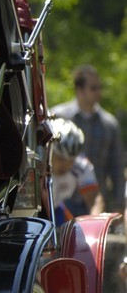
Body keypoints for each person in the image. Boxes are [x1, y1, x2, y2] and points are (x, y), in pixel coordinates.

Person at [51, 65, 124, 214]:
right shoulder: (57, 116)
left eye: (99, 87)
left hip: (92, 200)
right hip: (58, 200)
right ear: (80, 90)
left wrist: (119, 203)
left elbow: (117, 166)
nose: (99, 92)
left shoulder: (109, 124)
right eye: (93, 88)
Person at [48, 117, 101, 226]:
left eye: (71, 160)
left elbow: (94, 200)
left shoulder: (81, 166)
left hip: (56, 208)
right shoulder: (37, 164)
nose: (66, 164)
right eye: (60, 158)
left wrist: (95, 224)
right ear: (49, 151)